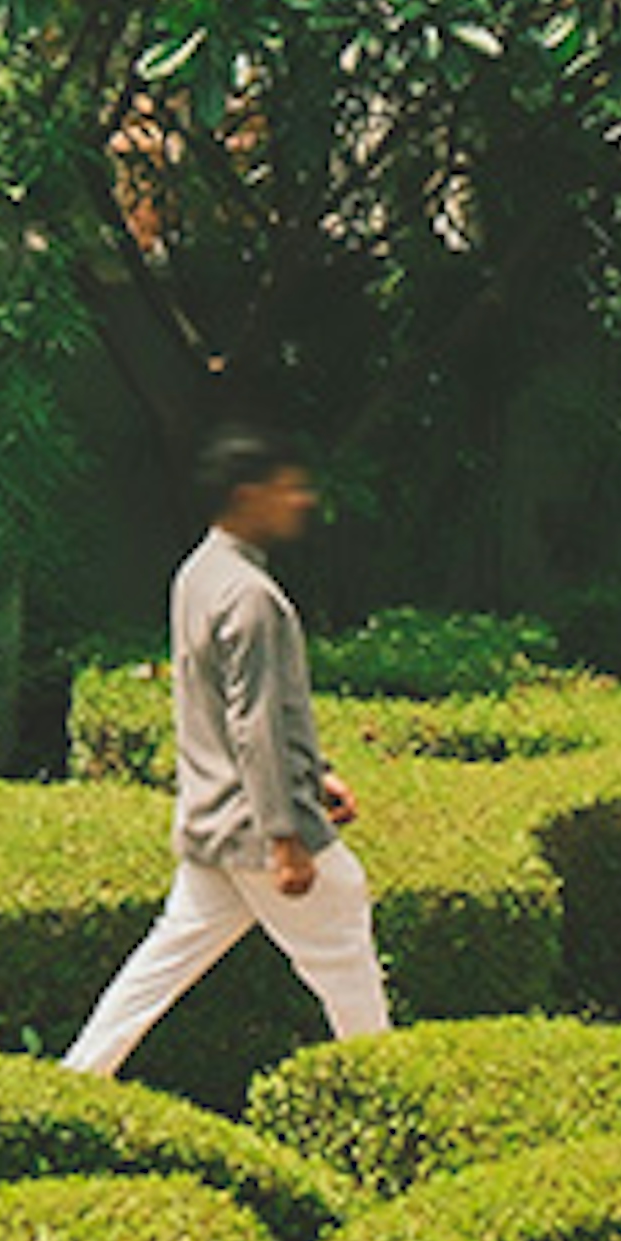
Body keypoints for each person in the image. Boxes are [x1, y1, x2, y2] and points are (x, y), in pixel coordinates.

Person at [60, 421, 389, 1076]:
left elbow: (222, 706)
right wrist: (288, 837)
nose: (301, 501)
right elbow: (256, 723)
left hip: (212, 817)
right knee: (348, 960)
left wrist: (316, 774)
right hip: (255, 829)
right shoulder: (252, 597)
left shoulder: (198, 574)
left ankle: (75, 1077)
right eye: (286, 489)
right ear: (247, 495)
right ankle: (392, 1097)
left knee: (164, 961)